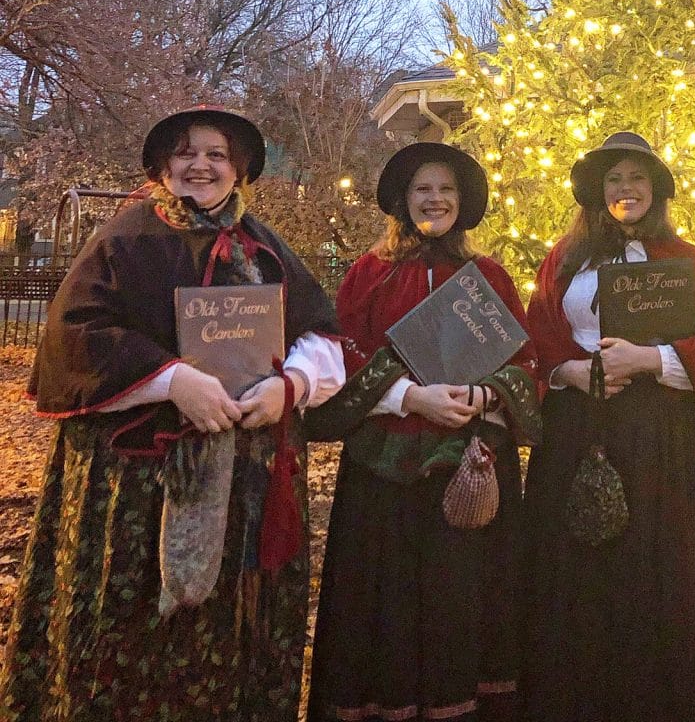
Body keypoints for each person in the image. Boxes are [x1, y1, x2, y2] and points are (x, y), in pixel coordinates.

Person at [0, 106, 351, 722]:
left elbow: (321, 334)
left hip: (246, 476)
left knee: (227, 626)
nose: (201, 165)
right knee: (127, 626)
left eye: (216, 154)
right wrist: (172, 380)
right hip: (137, 485)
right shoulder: (124, 238)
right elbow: (75, 335)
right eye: (186, 153)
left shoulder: (266, 247)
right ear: (164, 165)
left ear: (237, 169)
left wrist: (290, 387)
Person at [522, 132, 695, 722]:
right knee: (577, 574)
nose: (625, 190)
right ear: (596, 193)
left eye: (636, 179)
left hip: (662, 439)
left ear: (655, 190)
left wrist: (653, 360)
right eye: (613, 180)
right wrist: (570, 372)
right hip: (580, 428)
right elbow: (539, 327)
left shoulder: (687, 260)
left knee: (658, 572)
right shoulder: (566, 257)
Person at [305, 142, 540, 722]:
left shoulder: (489, 277)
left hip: (471, 462)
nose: (434, 200)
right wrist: (410, 396)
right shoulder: (368, 274)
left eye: (446, 191)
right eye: (422, 190)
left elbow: (526, 362)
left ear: (463, 203)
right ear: (403, 202)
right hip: (384, 468)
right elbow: (341, 362)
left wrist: (483, 395)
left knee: (459, 595)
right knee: (385, 596)